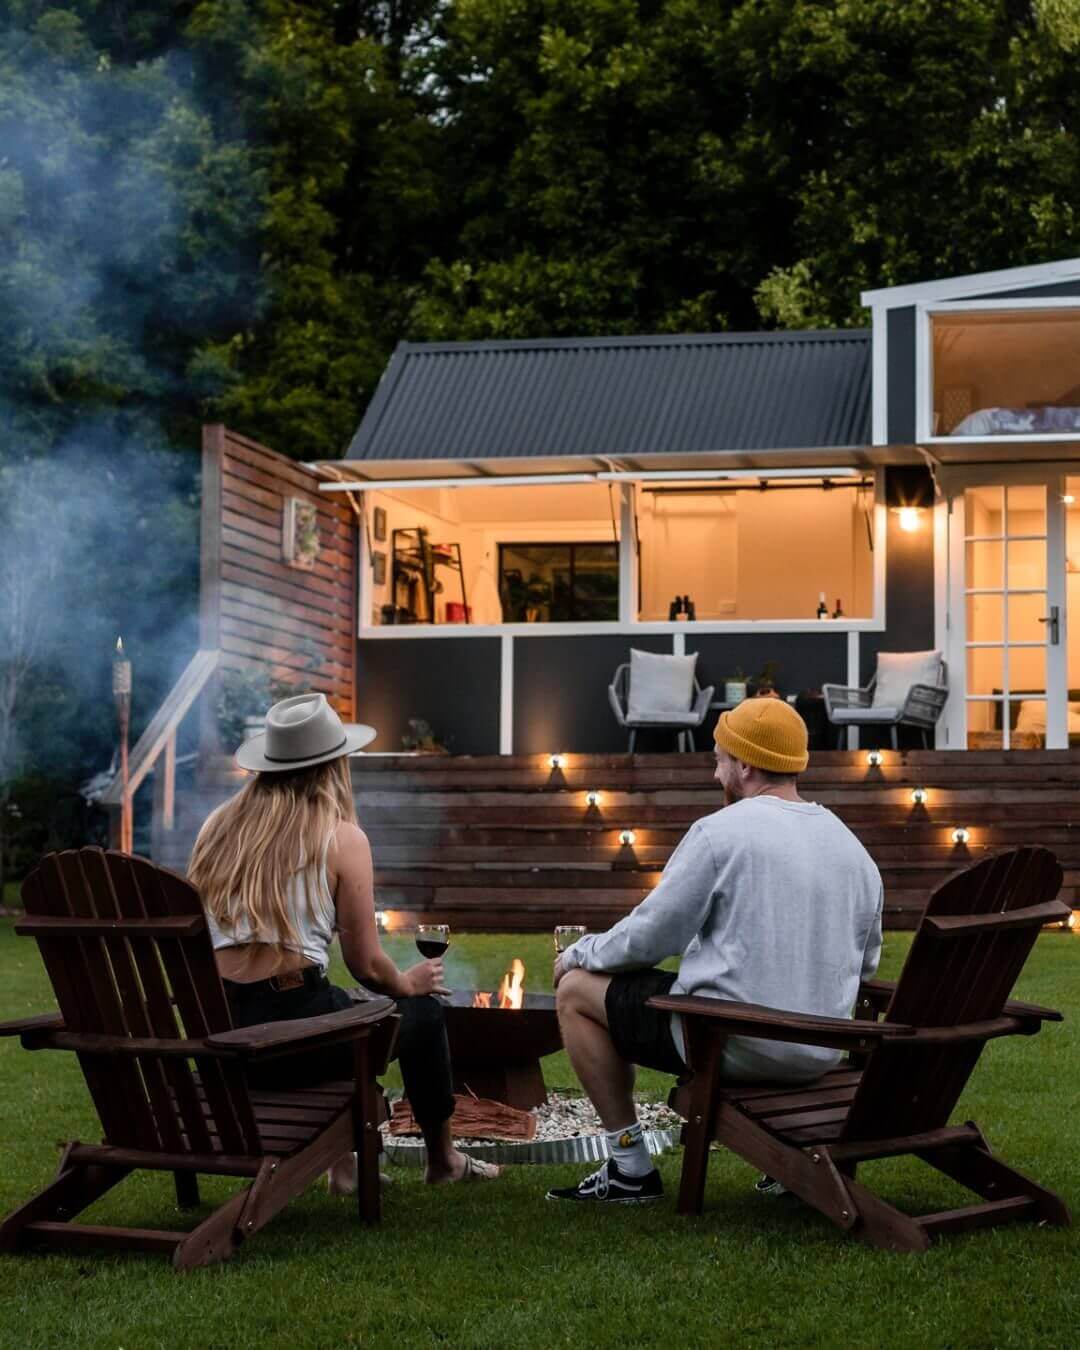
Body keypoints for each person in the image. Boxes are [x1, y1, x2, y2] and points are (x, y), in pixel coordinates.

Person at [547, 697, 883, 1205]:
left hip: (733, 1041)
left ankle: (629, 1168)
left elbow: (651, 937)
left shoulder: (720, 833)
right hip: (817, 1049)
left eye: (719, 758)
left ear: (745, 764)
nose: (715, 772)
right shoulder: (853, 850)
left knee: (575, 993)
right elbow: (868, 963)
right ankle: (790, 1159)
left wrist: (581, 953)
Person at [187, 692, 500, 1191]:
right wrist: (410, 981)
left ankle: (344, 1166)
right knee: (419, 1012)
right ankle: (442, 1161)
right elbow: (368, 965)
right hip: (298, 1044)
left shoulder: (218, 830)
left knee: (334, 1002)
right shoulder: (340, 837)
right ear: (333, 766)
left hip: (222, 1037)